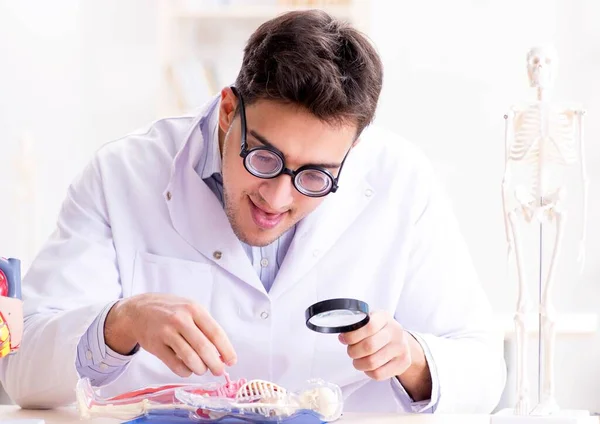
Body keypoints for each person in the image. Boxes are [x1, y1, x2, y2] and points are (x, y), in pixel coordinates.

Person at [0, 10, 506, 414]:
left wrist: (413, 358)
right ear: (227, 111)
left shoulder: (402, 181)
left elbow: (484, 370)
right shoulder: (122, 174)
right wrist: (121, 322)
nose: (278, 198)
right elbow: (20, 372)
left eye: (315, 176)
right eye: (263, 158)